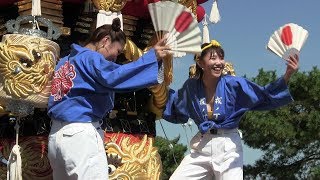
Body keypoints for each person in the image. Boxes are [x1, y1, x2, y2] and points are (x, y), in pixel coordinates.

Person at [47, 18, 170, 180]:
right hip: (80, 134)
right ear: (105, 41)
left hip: (55, 138)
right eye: (118, 52)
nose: (115, 58)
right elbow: (115, 76)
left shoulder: (65, 61)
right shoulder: (91, 58)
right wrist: (151, 58)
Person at [163, 40, 299, 179]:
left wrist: (287, 74)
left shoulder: (234, 84)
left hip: (228, 145)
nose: (219, 62)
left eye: (221, 57)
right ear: (200, 63)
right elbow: (176, 106)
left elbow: (263, 95)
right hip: (202, 144)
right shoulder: (191, 87)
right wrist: (156, 89)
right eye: (213, 58)